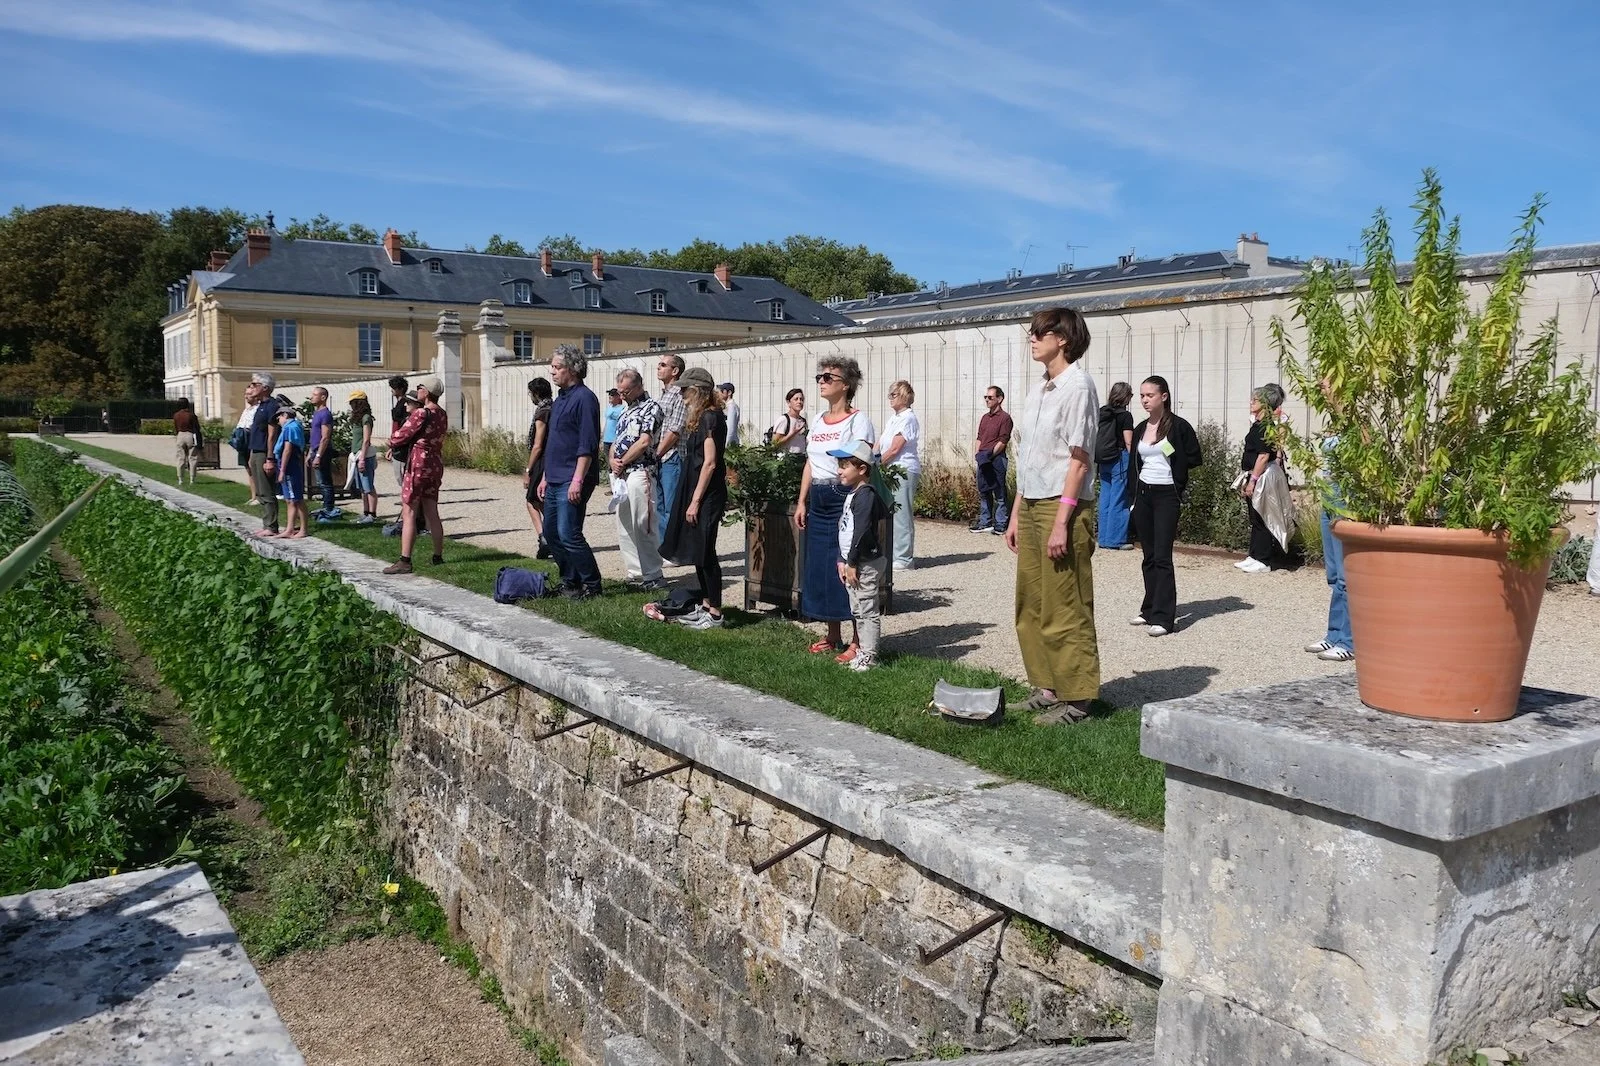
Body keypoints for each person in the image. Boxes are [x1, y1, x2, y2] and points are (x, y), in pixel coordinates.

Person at [1004, 308, 1101, 725]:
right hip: (1031, 503)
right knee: (1031, 601)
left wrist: (1062, 521)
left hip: (1062, 505)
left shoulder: (1078, 386)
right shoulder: (1040, 389)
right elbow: (1029, 457)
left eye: (1038, 332)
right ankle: (1048, 686)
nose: (1032, 338)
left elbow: (1079, 459)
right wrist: (1014, 514)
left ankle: (1078, 698)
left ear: (1062, 338)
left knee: (1065, 602)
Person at [795, 356, 876, 657]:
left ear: (846, 384)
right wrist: (802, 500)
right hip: (818, 496)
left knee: (847, 565)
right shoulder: (816, 420)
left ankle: (857, 639)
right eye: (820, 377)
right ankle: (832, 634)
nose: (821, 381)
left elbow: (862, 464)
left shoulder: (858, 420)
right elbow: (810, 462)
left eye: (828, 377)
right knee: (822, 567)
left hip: (843, 495)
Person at [1127, 376, 1204, 637]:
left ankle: (1164, 617)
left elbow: (1194, 457)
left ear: (1164, 396)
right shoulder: (1140, 428)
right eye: (1142, 396)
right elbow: (1133, 464)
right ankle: (1149, 608)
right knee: (1148, 555)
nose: (1145, 400)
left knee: (1162, 556)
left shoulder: (1178, 426)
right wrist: (1132, 499)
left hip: (1166, 495)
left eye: (1150, 395)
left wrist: (1174, 461)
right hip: (1144, 494)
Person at [661, 367, 729, 628]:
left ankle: (715, 612)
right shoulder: (701, 418)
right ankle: (705, 604)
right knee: (699, 550)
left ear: (698, 391)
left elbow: (710, 464)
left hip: (708, 494)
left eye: (685, 389)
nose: (681, 394)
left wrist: (695, 501)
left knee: (706, 551)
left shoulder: (711, 419)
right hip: (697, 490)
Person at [539, 344, 603, 599]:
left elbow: (587, 444)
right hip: (554, 477)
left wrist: (578, 480)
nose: (551, 372)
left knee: (569, 532)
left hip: (572, 477)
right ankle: (570, 581)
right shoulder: (560, 399)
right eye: (552, 367)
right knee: (551, 534)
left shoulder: (584, 398)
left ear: (573, 370)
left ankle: (592, 585)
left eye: (557, 367)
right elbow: (554, 442)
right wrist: (544, 476)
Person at [831, 440, 890, 672]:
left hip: (864, 563)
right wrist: (841, 559)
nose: (839, 470)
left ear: (862, 469)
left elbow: (862, 530)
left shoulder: (866, 495)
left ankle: (869, 655)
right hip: (853, 563)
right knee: (857, 609)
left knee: (866, 610)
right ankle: (864, 651)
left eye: (844, 466)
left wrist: (853, 562)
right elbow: (844, 528)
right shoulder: (854, 494)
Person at [382, 378, 448, 575]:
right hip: (435, 462)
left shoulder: (421, 412)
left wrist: (390, 442)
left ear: (426, 392)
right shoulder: (442, 413)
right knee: (431, 510)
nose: (417, 390)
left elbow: (402, 435)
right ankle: (437, 556)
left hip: (419, 462)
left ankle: (405, 560)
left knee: (409, 510)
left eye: (420, 388)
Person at [609, 368, 666, 592]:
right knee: (625, 525)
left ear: (638, 386)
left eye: (626, 391)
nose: (622, 395)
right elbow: (615, 440)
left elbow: (645, 441)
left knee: (643, 523)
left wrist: (622, 461)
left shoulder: (651, 408)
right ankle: (635, 572)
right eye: (620, 392)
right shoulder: (625, 412)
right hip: (622, 474)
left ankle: (653, 574)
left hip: (641, 470)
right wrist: (613, 460)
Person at [1238, 383, 1291, 573]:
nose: (1252, 402)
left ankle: (1264, 559)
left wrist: (1253, 479)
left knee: (1262, 515)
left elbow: (1263, 455)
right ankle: (1254, 554)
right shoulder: (1258, 424)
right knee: (1255, 515)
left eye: (1256, 399)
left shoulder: (1267, 426)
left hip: (1263, 474)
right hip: (1253, 472)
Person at [879, 380, 920, 571]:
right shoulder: (894, 418)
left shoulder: (908, 418)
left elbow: (895, 448)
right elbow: (881, 443)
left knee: (901, 513)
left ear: (904, 396)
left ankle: (904, 557)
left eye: (893, 394)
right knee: (889, 511)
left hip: (903, 469)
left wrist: (877, 463)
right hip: (890, 469)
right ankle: (892, 552)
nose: (890, 398)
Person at [1095, 382, 1135, 549]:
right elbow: (1128, 441)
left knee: (1105, 498)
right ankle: (1116, 540)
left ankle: (1103, 538)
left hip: (1103, 459)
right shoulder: (1125, 415)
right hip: (1119, 458)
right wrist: (1135, 461)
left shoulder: (1102, 412)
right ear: (1126, 396)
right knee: (1119, 499)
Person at [653, 353, 687, 543]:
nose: (659, 368)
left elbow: (675, 430)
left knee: (671, 506)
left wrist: (657, 453)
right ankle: (663, 545)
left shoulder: (680, 395)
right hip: (659, 457)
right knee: (659, 505)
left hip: (671, 456)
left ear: (675, 371)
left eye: (663, 365)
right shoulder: (663, 395)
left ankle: (673, 549)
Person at [972, 385, 1012, 535]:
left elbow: (1003, 441)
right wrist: (979, 454)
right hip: (983, 458)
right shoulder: (984, 418)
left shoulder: (1005, 418)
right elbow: (979, 438)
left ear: (1000, 399)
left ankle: (1001, 523)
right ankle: (985, 522)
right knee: (984, 491)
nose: (987, 400)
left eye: (990, 397)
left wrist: (990, 455)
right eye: (986, 397)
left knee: (999, 492)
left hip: (996, 459)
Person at [245, 373, 282, 537]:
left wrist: (270, 458)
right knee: (260, 491)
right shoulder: (261, 405)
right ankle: (266, 523)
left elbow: (272, 435)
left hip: (263, 453)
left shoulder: (271, 406)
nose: (251, 387)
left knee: (267, 490)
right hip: (256, 450)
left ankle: (271, 525)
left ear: (265, 388)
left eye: (255, 384)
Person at [522, 377, 554, 560]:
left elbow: (537, 444)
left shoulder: (543, 412)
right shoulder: (555, 407)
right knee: (542, 500)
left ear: (535, 393)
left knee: (532, 499)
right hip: (552, 459)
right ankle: (547, 537)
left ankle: (544, 537)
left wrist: (528, 469)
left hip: (542, 460)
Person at [271, 402, 309, 539]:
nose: (278, 420)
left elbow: (287, 449)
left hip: (290, 466)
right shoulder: (292, 427)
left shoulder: (289, 428)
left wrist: (282, 470)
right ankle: (290, 528)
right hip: (290, 466)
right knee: (290, 499)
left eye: (279, 417)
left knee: (295, 499)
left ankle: (301, 529)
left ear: (285, 415)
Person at [382, 376, 412, 536]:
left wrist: (394, 443)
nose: (392, 391)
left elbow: (399, 426)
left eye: (393, 388)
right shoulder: (401, 403)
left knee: (402, 477)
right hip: (397, 443)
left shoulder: (403, 404)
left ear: (399, 388)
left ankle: (408, 508)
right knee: (400, 478)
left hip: (401, 446)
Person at [346, 390, 380, 525]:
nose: (351, 405)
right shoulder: (358, 419)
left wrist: (362, 458)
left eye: (353, 403)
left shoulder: (366, 418)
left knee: (368, 486)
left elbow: (366, 439)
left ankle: (372, 513)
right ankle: (365, 512)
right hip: (357, 454)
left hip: (363, 455)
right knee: (362, 487)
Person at [308, 387, 339, 522]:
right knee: (321, 482)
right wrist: (310, 453)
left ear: (323, 397)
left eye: (315, 395)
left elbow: (325, 437)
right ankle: (326, 507)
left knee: (325, 482)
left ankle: (329, 509)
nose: (312, 397)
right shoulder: (316, 413)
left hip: (323, 452)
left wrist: (319, 455)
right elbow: (314, 435)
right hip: (315, 450)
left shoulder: (325, 414)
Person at [602, 386, 625, 513]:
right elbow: (607, 422)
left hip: (614, 439)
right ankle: (613, 486)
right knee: (608, 464)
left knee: (615, 463)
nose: (610, 398)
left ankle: (618, 486)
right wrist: (602, 436)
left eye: (612, 395)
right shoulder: (609, 408)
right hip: (607, 438)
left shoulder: (622, 409)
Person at [767, 389, 808, 453]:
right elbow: (774, 443)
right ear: (789, 402)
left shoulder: (803, 421)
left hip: (801, 458)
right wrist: (792, 434)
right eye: (796, 399)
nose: (799, 402)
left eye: (801, 399)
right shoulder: (784, 419)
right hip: (786, 459)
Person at [172, 397, 202, 485]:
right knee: (192, 458)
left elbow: (176, 427)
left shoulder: (176, 415)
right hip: (190, 435)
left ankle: (180, 478)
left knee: (180, 458)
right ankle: (192, 478)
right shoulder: (191, 415)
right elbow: (197, 427)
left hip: (180, 435)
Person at [719, 382, 742, 447]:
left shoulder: (732, 406)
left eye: (722, 391)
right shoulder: (727, 406)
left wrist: (726, 444)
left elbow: (730, 427)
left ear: (729, 393)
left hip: (730, 445)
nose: (720, 393)